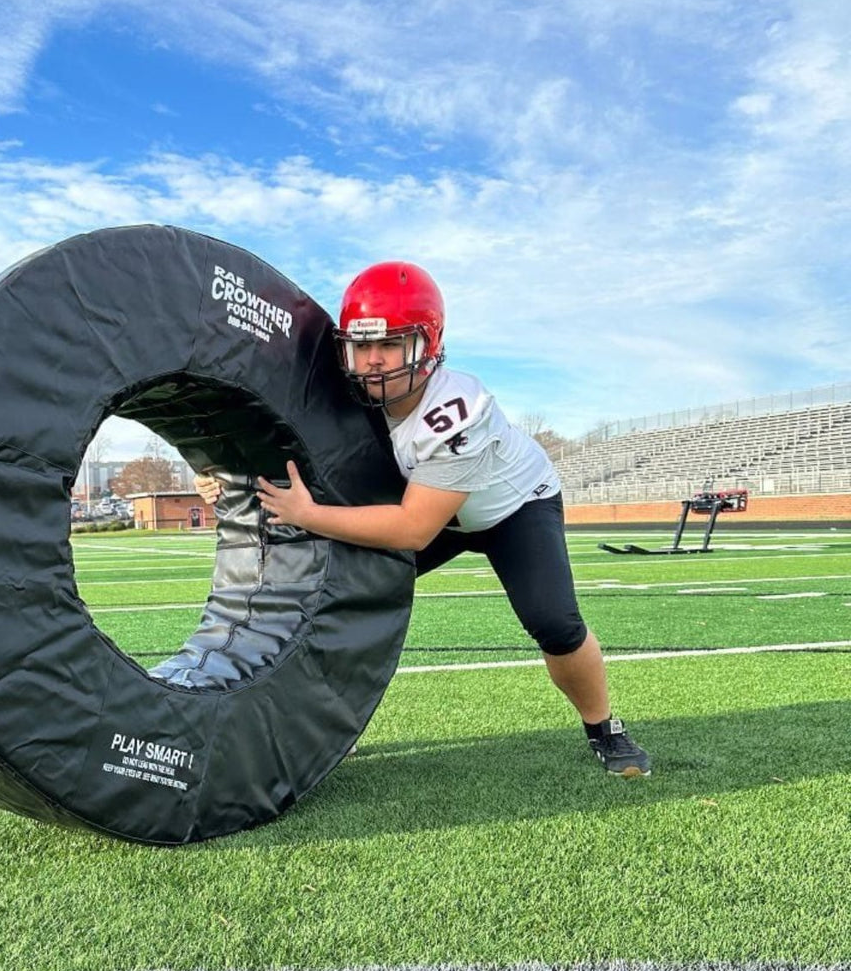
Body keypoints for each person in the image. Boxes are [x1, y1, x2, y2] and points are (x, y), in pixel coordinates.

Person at [196, 261, 650, 777]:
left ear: (428, 344)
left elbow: (415, 529)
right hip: (432, 505)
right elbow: (275, 433)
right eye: (361, 346)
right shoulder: (352, 389)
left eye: (389, 345)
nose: (372, 363)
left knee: (554, 622)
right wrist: (217, 469)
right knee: (338, 593)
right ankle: (316, 732)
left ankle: (604, 727)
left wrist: (311, 515)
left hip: (511, 508)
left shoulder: (458, 409)